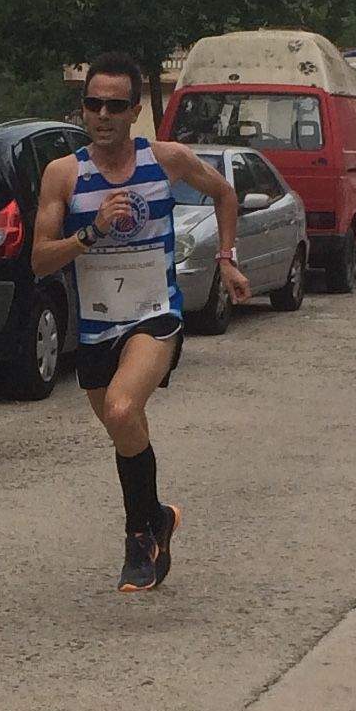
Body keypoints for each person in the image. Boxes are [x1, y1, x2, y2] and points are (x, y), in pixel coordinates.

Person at [33, 52, 248, 591]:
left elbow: (223, 192)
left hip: (156, 316)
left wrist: (225, 257)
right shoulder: (64, 175)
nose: (102, 115)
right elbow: (39, 259)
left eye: (115, 105)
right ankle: (159, 517)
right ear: (83, 107)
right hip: (97, 327)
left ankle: (139, 540)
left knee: (123, 407)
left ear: (134, 112)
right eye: (92, 103)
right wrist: (90, 233)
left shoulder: (167, 160)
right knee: (124, 430)